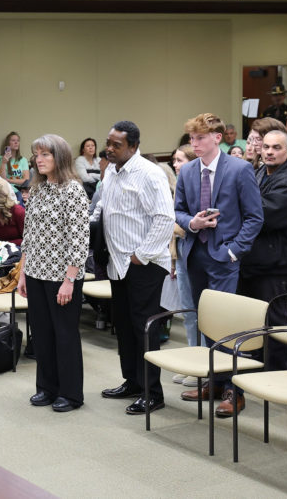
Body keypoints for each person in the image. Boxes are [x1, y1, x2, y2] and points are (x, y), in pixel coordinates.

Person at [174, 113, 263, 417]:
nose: (194, 143)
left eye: (200, 138)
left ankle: (232, 391)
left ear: (217, 137)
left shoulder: (239, 169)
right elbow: (178, 211)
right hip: (194, 254)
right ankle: (213, 380)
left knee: (226, 323)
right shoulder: (187, 171)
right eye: (191, 138)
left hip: (224, 257)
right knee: (205, 321)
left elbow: (254, 217)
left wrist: (234, 251)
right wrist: (193, 223)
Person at [95, 122, 174, 415]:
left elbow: (165, 219)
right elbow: (105, 210)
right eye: (109, 143)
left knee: (145, 328)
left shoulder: (149, 174)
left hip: (144, 263)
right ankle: (132, 381)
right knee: (125, 326)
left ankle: (153, 392)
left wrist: (141, 255)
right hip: (118, 263)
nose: (110, 149)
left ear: (133, 146)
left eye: (117, 145)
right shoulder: (111, 172)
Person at [18, 134, 88, 413]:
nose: (39, 159)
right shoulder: (37, 189)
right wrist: (22, 273)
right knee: (42, 335)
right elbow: (29, 235)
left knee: (65, 335)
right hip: (35, 272)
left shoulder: (73, 191)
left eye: (46, 154)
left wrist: (69, 280)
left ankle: (71, 394)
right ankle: (47, 388)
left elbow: (79, 240)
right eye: (37, 155)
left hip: (62, 277)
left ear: (60, 157)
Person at [238, 130, 287, 373]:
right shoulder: (262, 171)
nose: (270, 152)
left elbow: (264, 215)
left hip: (280, 264)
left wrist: (235, 202)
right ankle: (253, 369)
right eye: (267, 147)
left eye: (276, 148)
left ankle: (277, 373)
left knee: (275, 323)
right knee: (252, 321)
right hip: (259, 260)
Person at [168, 144, 200, 386]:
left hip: (195, 253)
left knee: (198, 313)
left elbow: (183, 225)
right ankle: (192, 362)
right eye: (174, 160)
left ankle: (202, 367)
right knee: (187, 313)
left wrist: (178, 225)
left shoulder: (198, 186)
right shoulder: (177, 186)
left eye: (180, 160)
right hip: (179, 253)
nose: (175, 164)